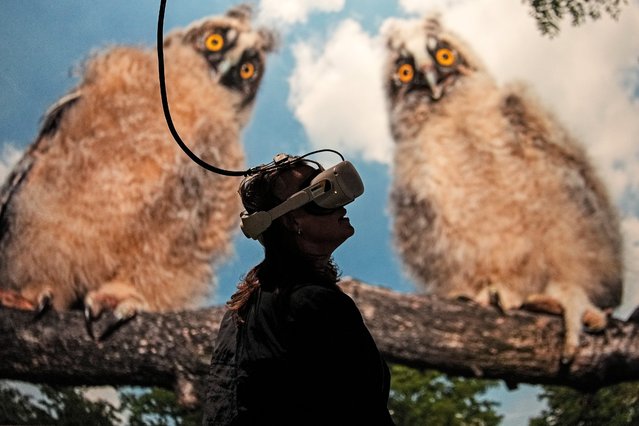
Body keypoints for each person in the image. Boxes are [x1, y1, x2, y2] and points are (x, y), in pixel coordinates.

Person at [203, 157, 395, 425]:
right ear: (292, 220)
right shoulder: (312, 302)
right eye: (321, 191)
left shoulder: (238, 313)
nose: (340, 202)